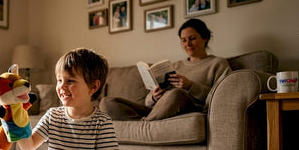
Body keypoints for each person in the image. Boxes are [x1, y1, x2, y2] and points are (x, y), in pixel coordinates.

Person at [99, 18, 231, 121]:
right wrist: (154, 97)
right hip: (158, 110)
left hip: (186, 107)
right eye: (183, 40)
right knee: (107, 102)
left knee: (177, 94)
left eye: (192, 38)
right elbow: (147, 102)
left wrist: (190, 86)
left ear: (205, 37)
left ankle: (145, 124)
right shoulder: (175, 66)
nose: (188, 44)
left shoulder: (217, 64)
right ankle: (146, 123)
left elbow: (223, 97)